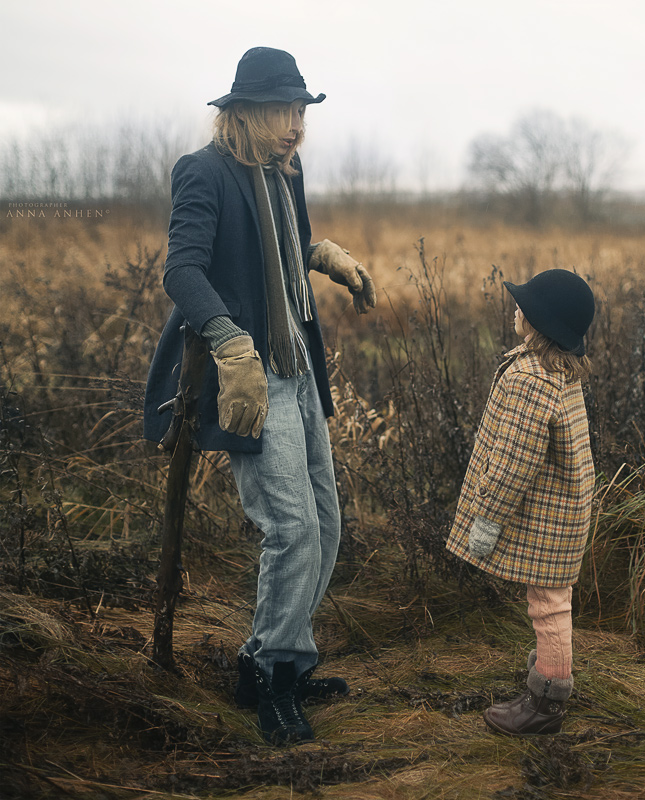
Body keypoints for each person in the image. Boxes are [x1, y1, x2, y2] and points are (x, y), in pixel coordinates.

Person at [143, 47, 377, 745]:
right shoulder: (203, 172)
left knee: (326, 526)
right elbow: (183, 271)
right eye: (283, 110)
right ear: (241, 113)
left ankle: (279, 659)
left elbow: (279, 244)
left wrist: (321, 254)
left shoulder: (284, 172)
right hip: (249, 375)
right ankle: (271, 676)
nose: (296, 125)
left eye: (302, 111)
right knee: (292, 529)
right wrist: (227, 340)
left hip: (298, 366)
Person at [445, 269, 595, 736]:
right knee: (552, 598)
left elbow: (512, 462)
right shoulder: (555, 369)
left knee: (547, 603)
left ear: (540, 323)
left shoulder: (531, 379)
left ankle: (547, 700)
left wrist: (487, 519)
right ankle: (552, 666)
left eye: (524, 306)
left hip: (548, 513)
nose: (515, 309)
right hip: (563, 508)